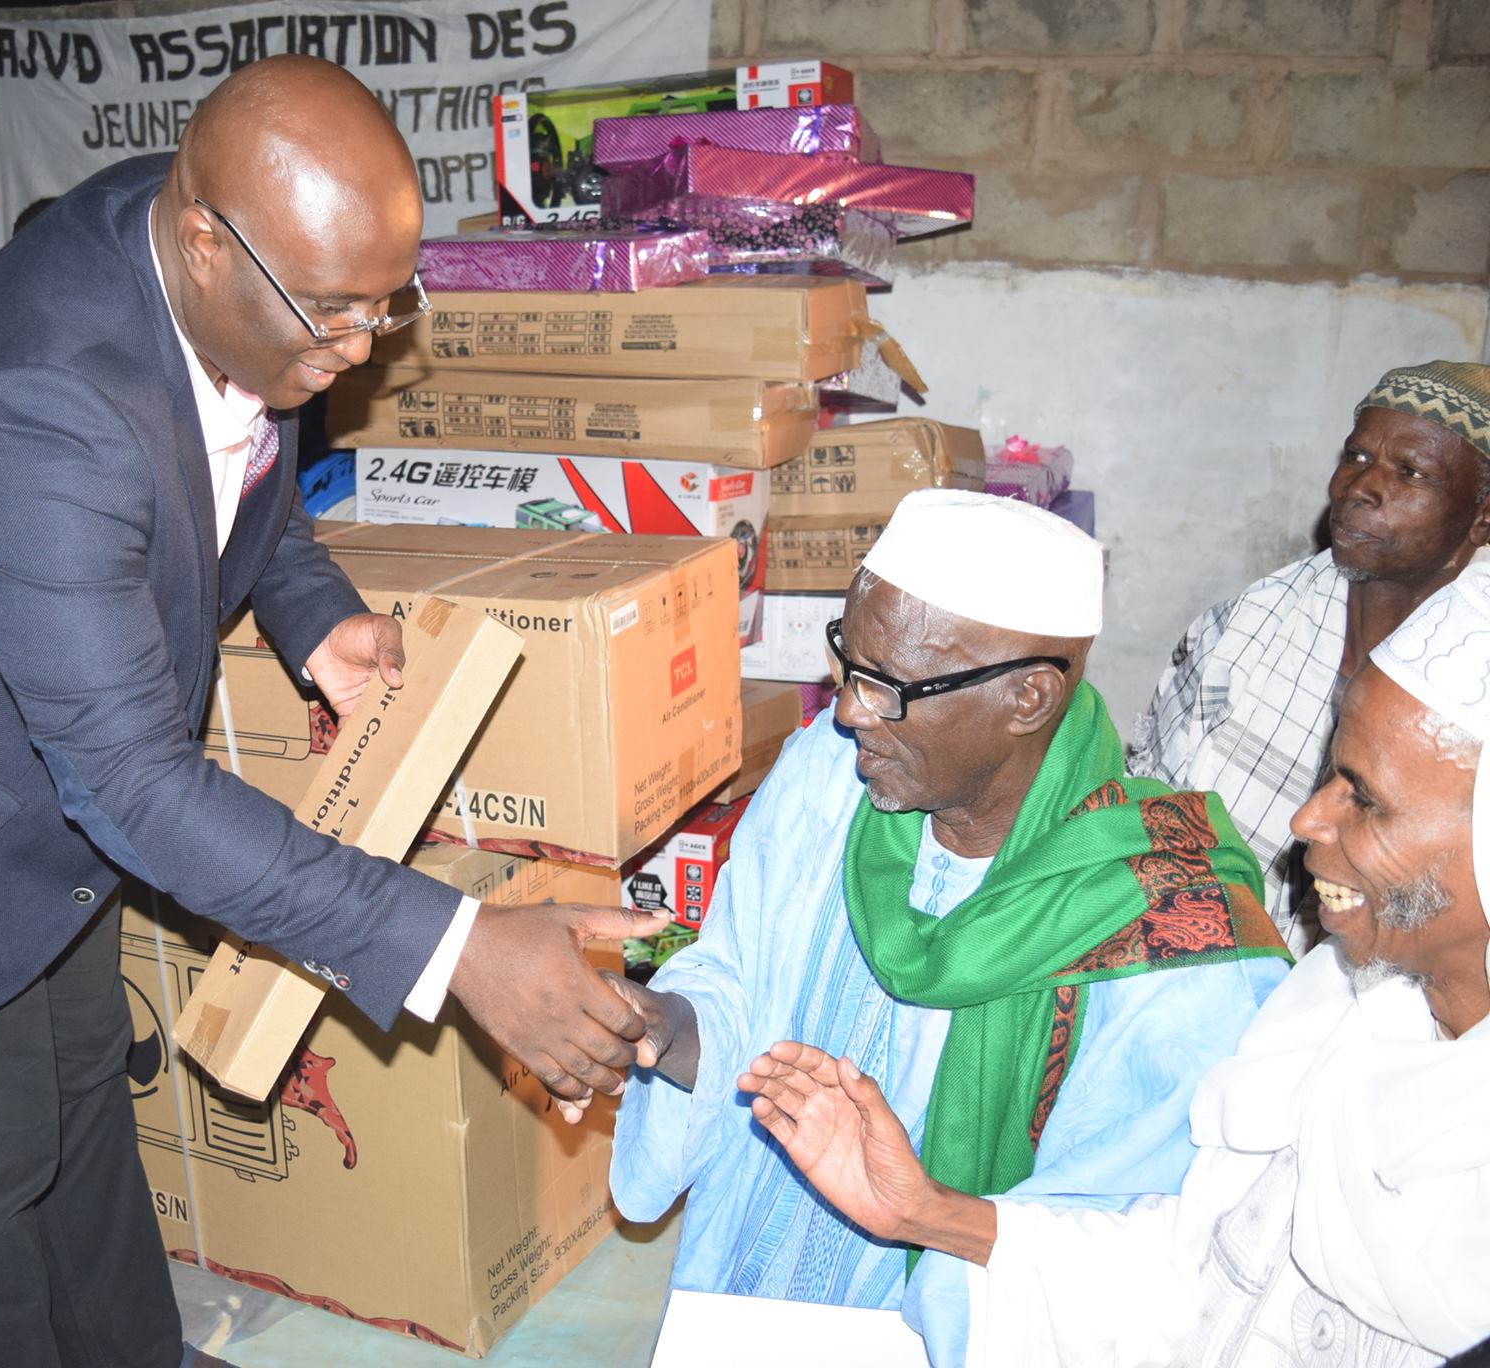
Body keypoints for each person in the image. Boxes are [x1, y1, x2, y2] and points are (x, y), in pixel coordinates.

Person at [0, 55, 660, 1368]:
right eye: (335, 314)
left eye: (383, 309)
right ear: (209, 244)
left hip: (40, 748)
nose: (354, 348)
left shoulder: (228, 260)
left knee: (82, 1091)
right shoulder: (48, 402)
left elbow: (241, 456)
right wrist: (460, 948)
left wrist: (311, 607)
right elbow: (131, 781)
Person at [742, 563, 1490, 1366]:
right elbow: (1191, 1280)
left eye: (1364, 798)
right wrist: (926, 1213)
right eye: (1330, 775)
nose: (1307, 820)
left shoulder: (1214, 959)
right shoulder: (1333, 1013)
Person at [607, 490, 1293, 1364]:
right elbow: (740, 975)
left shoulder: (1168, 929)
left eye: (887, 686)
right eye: (846, 663)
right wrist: (664, 1029)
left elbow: (1128, 1256)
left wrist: (924, 1212)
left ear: (1028, 699)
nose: (850, 710)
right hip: (741, 1299)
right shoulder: (832, 773)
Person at [1132, 361, 1490, 954]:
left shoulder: (1474, 685)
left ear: (1482, 515)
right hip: (1197, 960)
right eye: (1356, 458)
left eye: (1410, 472)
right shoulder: (1249, 625)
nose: (1359, 489)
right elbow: (1151, 815)